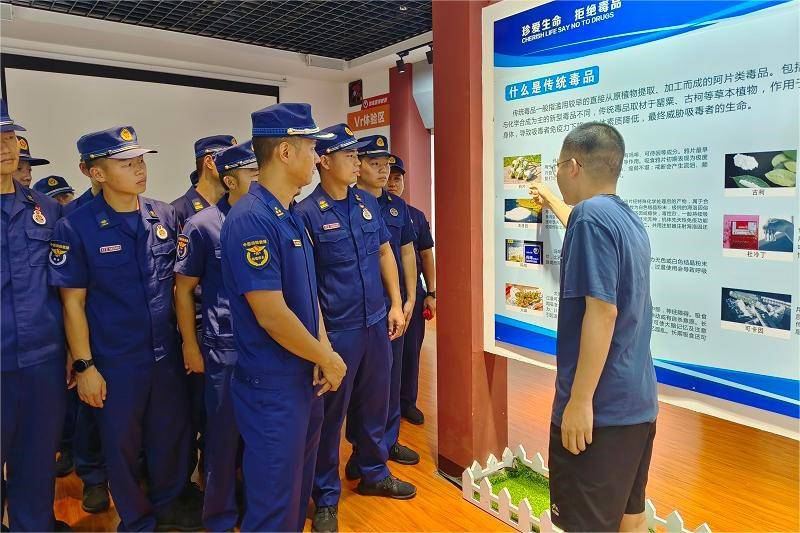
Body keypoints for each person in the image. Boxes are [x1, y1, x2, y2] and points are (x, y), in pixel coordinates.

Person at [50, 125, 200, 531]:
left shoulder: (163, 215)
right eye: (126, 163)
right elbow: (72, 303)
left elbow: (177, 288)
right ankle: (135, 520)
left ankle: (168, 511)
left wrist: (187, 343)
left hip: (165, 355)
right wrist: (85, 366)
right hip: (115, 361)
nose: (139, 169)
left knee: (170, 438)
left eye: (140, 161)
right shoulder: (75, 227)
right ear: (97, 173)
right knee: (121, 447)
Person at [220, 103, 346, 532]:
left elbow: (308, 299)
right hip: (272, 388)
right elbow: (271, 314)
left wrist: (323, 351)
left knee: (295, 495)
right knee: (273, 506)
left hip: (304, 376)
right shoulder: (251, 219)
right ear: (286, 152)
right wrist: (325, 358)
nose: (318, 157)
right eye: (311, 147)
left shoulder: (289, 213)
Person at [529, 122, 657, 532]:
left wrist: (580, 401)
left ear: (573, 166)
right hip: (637, 405)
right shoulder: (625, 219)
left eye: (557, 167)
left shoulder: (589, 218)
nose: (557, 175)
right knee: (631, 519)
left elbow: (602, 312)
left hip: (601, 412)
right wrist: (552, 200)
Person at [296, 124, 416, 532]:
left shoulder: (365, 203)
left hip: (375, 323)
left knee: (374, 404)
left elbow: (384, 251)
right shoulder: (306, 214)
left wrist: (396, 303)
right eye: (348, 156)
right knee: (329, 418)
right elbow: (306, 284)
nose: (356, 163)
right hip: (337, 331)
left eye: (356, 155)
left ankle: (373, 472)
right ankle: (325, 497)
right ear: (324, 161)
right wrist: (320, 344)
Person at [174, 141, 258, 532]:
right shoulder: (202, 225)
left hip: (265, 347)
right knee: (221, 439)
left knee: (260, 440)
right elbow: (183, 290)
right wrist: (190, 346)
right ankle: (219, 518)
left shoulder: (268, 219)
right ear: (230, 180)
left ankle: (255, 511)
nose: (260, 181)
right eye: (252, 174)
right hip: (223, 348)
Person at [1, 99, 70, 532]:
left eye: (9, 136)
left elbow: (64, 285)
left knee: (36, 463)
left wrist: (73, 351)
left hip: (42, 361)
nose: (5, 147)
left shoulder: (46, 208)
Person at [345, 135, 419, 480]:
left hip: (391, 307)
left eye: (386, 165)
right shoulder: (346, 203)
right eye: (374, 164)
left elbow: (405, 252)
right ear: (357, 165)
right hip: (355, 309)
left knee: (390, 378)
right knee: (360, 386)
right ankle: (360, 449)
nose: (383, 171)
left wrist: (409, 297)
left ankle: (387, 443)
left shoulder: (396, 206)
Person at [172, 134, 236, 490]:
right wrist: (189, 343)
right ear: (210, 163)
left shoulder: (240, 209)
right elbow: (176, 284)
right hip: (198, 326)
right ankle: (205, 488)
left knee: (229, 418)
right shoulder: (180, 212)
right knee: (202, 414)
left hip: (231, 328)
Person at [386, 155, 436, 426]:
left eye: (397, 178)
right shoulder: (370, 211)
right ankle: (387, 407)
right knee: (387, 358)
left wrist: (432, 293)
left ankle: (408, 402)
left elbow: (426, 255)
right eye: (388, 177)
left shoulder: (415, 216)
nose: (392, 183)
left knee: (411, 352)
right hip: (383, 297)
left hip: (412, 294)